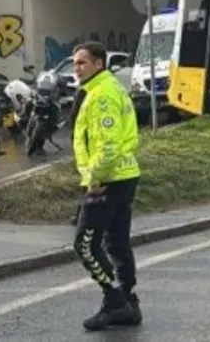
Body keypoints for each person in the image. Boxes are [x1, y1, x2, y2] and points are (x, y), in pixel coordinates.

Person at [71, 41, 142, 331]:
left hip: (108, 181)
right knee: (117, 243)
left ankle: (115, 302)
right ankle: (127, 301)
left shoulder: (101, 95)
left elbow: (108, 143)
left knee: (85, 245)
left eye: (82, 63)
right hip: (123, 176)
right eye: (75, 63)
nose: (76, 68)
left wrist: (95, 178)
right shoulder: (108, 88)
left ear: (99, 64)